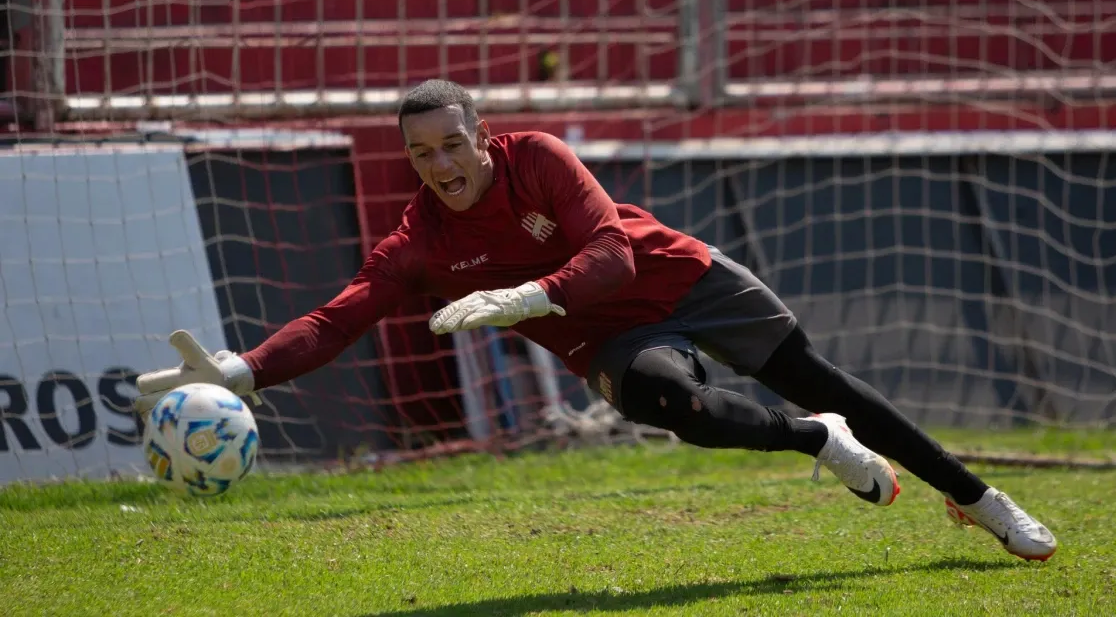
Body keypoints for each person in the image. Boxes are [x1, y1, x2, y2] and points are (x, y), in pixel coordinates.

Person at [134, 78, 1057, 562]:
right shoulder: (419, 237)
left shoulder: (537, 158)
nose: (441, 166)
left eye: (451, 144)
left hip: (679, 278)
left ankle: (981, 502)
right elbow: (341, 318)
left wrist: (527, 298)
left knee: (820, 373)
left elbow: (612, 253)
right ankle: (818, 443)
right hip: (609, 335)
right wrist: (245, 371)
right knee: (676, 408)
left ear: (481, 136)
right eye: (421, 154)